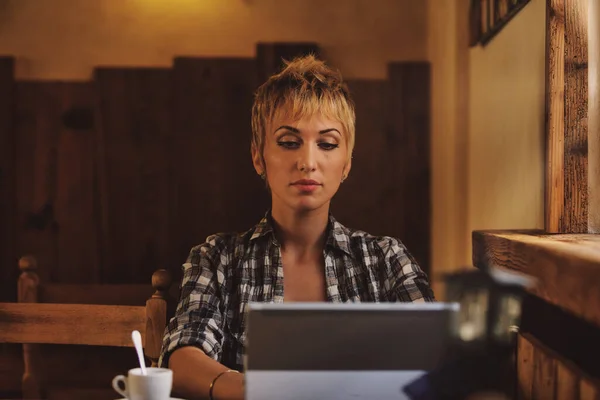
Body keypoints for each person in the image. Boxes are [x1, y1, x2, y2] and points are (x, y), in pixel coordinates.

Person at [159, 54, 435, 400]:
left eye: (327, 144)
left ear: (346, 162)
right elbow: (182, 358)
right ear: (259, 156)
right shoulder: (217, 259)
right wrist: (258, 390)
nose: (308, 162)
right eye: (289, 142)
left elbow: (434, 359)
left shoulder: (386, 259)